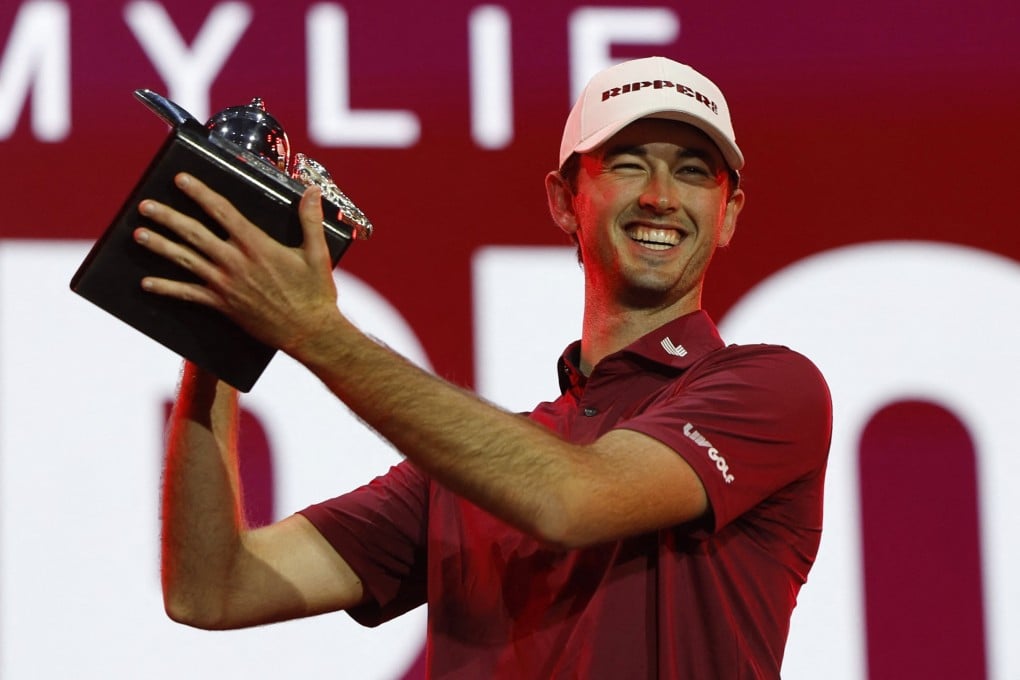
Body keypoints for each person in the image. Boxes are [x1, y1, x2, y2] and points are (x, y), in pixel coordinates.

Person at [136, 56, 832, 678]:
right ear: (564, 200)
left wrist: (313, 329)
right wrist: (219, 330)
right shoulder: (469, 473)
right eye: (627, 163)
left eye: (691, 172)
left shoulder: (771, 391)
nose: (660, 196)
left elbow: (568, 501)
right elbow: (213, 586)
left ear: (730, 212)